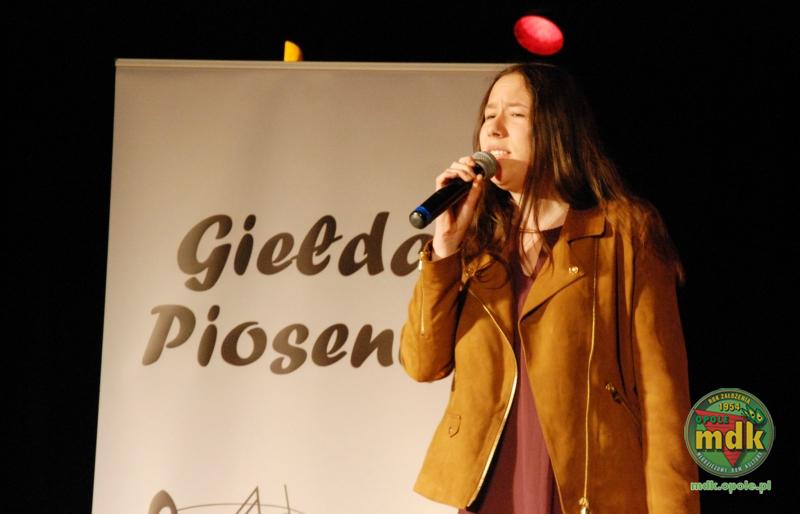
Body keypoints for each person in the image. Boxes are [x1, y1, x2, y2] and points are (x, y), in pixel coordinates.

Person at [399, 62, 700, 514]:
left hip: (587, 488)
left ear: (558, 129)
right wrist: (445, 247)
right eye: (489, 115)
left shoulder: (622, 232)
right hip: (492, 490)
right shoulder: (476, 244)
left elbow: (664, 395)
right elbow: (423, 364)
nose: (494, 128)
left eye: (516, 115)